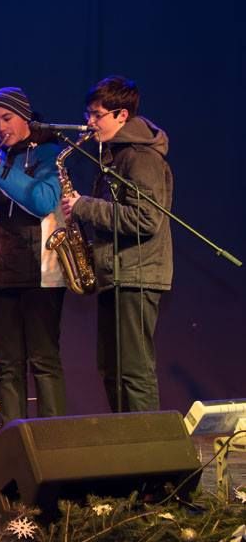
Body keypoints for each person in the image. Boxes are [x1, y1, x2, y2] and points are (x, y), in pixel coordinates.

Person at [62, 76, 172, 412]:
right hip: (117, 274)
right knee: (112, 370)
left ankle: (149, 442)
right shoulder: (115, 156)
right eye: (88, 114)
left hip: (137, 274)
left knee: (134, 372)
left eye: (97, 115)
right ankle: (126, 438)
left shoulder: (140, 157)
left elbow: (146, 219)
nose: (89, 122)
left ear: (122, 115)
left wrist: (84, 206)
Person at [0, 87, 67, 423]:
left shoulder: (50, 153)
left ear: (25, 116)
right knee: (8, 364)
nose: (0, 127)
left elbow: (43, 201)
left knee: (43, 360)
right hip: (1, 270)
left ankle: (53, 438)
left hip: (40, 270)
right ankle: (12, 437)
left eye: (7, 118)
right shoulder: (2, 156)